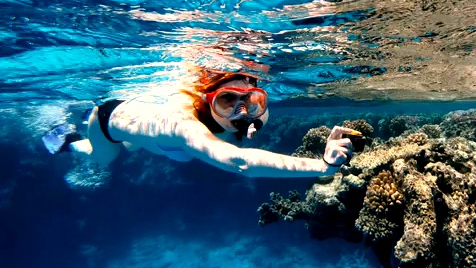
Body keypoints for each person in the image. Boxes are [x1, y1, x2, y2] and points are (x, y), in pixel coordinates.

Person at [44, 70, 359, 178]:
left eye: (250, 100)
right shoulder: (185, 126)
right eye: (227, 101)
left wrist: (255, 126)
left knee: (141, 144)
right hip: (107, 121)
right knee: (107, 158)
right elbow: (238, 162)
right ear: (208, 100)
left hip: (155, 137)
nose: (241, 111)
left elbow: (261, 115)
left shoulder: (251, 112)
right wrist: (322, 167)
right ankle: (66, 140)